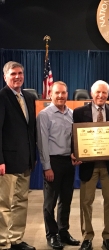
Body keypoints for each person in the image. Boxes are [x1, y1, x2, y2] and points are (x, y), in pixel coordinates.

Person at [72, 80, 109, 250]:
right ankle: (87, 237)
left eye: (104, 92)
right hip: (88, 165)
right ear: (91, 93)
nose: (101, 96)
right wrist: (75, 152)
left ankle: (108, 237)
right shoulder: (79, 112)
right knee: (86, 203)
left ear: (108, 94)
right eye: (98, 92)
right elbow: (74, 136)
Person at [36, 81, 80, 250]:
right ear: (51, 94)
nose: (61, 96)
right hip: (52, 162)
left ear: (67, 94)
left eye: (63, 93)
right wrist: (47, 167)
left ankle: (63, 231)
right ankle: (52, 234)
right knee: (50, 202)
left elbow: (75, 139)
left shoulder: (71, 114)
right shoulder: (44, 115)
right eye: (57, 93)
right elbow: (42, 144)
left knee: (66, 200)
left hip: (68, 162)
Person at [0, 61, 36, 250]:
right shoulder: (2, 96)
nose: (17, 77)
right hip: (7, 162)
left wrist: (33, 156)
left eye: (20, 73)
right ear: (5, 76)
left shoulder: (29, 97)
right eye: (13, 73)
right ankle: (2, 243)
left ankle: (16, 239)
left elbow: (31, 130)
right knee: (4, 205)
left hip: (25, 160)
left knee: (21, 202)